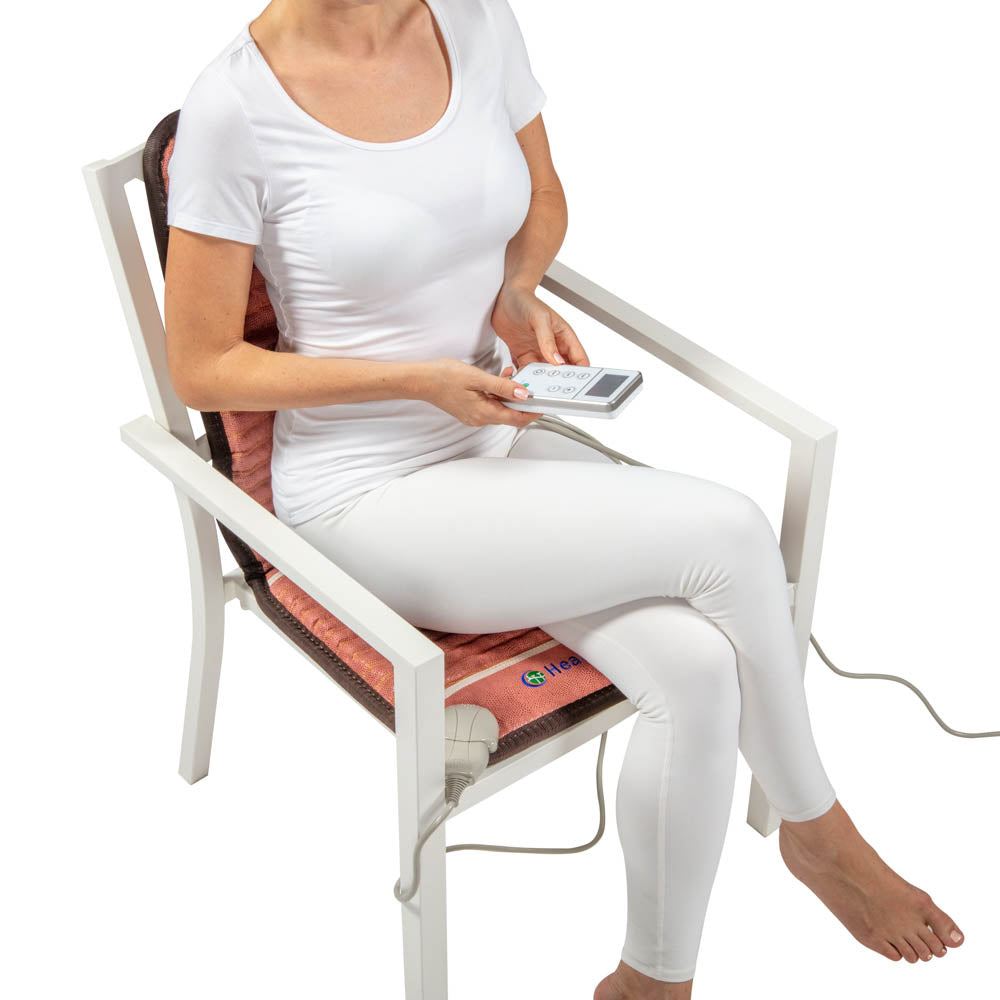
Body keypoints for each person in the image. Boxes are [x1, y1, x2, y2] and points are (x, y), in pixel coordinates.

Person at [162, 1, 965, 996]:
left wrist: (519, 289)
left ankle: (651, 978)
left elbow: (541, 196)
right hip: (367, 494)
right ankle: (821, 834)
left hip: (499, 432)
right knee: (728, 533)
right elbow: (202, 364)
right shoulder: (235, 106)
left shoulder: (472, 18)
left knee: (699, 667)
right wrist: (413, 381)